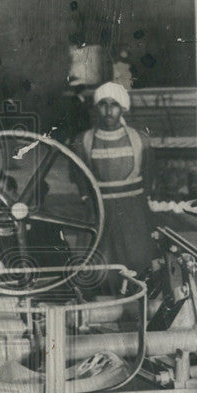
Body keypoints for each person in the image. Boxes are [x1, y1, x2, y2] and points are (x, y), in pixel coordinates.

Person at [72, 81, 154, 279]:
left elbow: (149, 176)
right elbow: (79, 177)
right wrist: (86, 199)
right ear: (96, 107)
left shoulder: (140, 140)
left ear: (123, 108)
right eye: (103, 104)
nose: (108, 111)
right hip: (98, 213)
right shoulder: (83, 141)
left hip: (132, 214)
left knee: (137, 265)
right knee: (97, 268)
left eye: (114, 104)